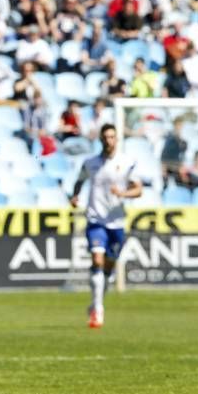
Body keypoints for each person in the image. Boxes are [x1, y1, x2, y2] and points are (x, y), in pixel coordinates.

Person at [70, 124, 142, 328]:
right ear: (100, 140)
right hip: (95, 220)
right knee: (97, 260)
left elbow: (138, 190)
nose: (109, 141)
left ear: (116, 140)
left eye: (112, 137)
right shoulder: (90, 163)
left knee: (108, 269)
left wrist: (123, 194)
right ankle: (98, 310)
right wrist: (75, 196)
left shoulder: (127, 163)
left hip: (117, 222)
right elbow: (79, 181)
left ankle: (95, 302)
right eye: (106, 137)